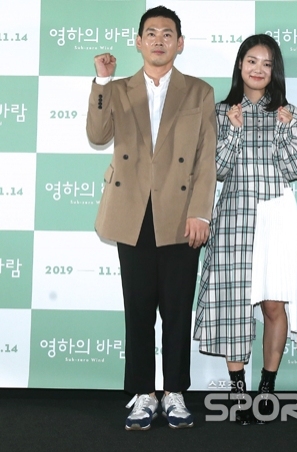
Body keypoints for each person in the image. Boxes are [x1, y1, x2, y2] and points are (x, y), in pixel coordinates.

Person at [86, 6, 217, 431]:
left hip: (180, 215)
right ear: (138, 42)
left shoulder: (199, 92)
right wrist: (102, 81)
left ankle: (175, 392)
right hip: (132, 212)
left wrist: (200, 211)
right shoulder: (117, 88)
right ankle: (143, 393)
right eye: (151, 33)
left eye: (167, 33)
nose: (159, 40)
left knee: (177, 310)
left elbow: (206, 158)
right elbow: (97, 135)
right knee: (138, 310)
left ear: (180, 43)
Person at [193, 34, 297, 425]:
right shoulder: (220, 111)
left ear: (275, 69)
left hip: (276, 216)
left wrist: (281, 132)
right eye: (251, 61)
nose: (258, 69)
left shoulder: (290, 114)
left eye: (266, 63)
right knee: (233, 304)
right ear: (240, 65)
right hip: (234, 216)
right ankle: (237, 390)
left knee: (274, 305)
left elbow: (293, 171)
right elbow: (218, 170)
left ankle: (267, 388)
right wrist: (233, 131)